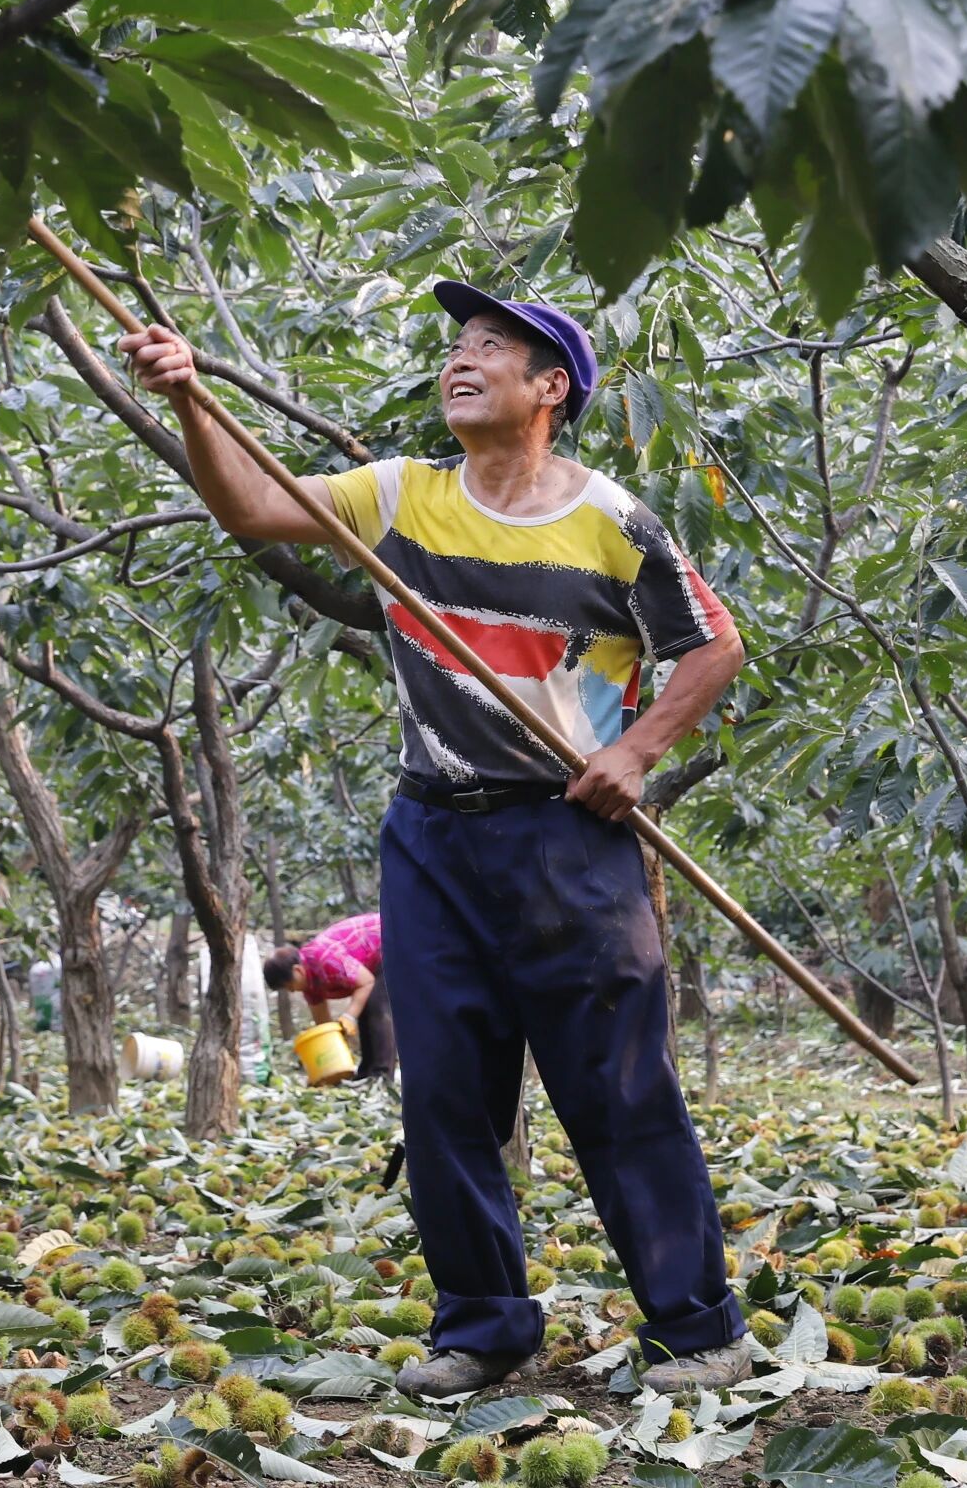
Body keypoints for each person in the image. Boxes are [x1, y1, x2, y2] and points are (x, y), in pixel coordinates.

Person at [122, 282, 751, 1399]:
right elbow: (254, 509)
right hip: (432, 832)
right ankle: (485, 1328)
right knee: (445, 1091)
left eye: (491, 348)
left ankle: (697, 1326)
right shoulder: (400, 494)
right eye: (457, 345)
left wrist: (639, 750)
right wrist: (192, 401)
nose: (461, 360)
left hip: (567, 835)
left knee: (616, 1083)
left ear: (549, 388)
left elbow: (711, 646)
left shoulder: (612, 517)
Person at [267, 913, 393, 1080]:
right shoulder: (309, 986)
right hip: (370, 964)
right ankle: (366, 1073)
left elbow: (367, 982)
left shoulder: (324, 959)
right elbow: (324, 1025)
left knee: (374, 1006)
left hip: (389, 942)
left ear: (297, 970)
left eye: (290, 986)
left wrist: (349, 1016)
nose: (292, 991)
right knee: (362, 1008)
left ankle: (383, 1075)